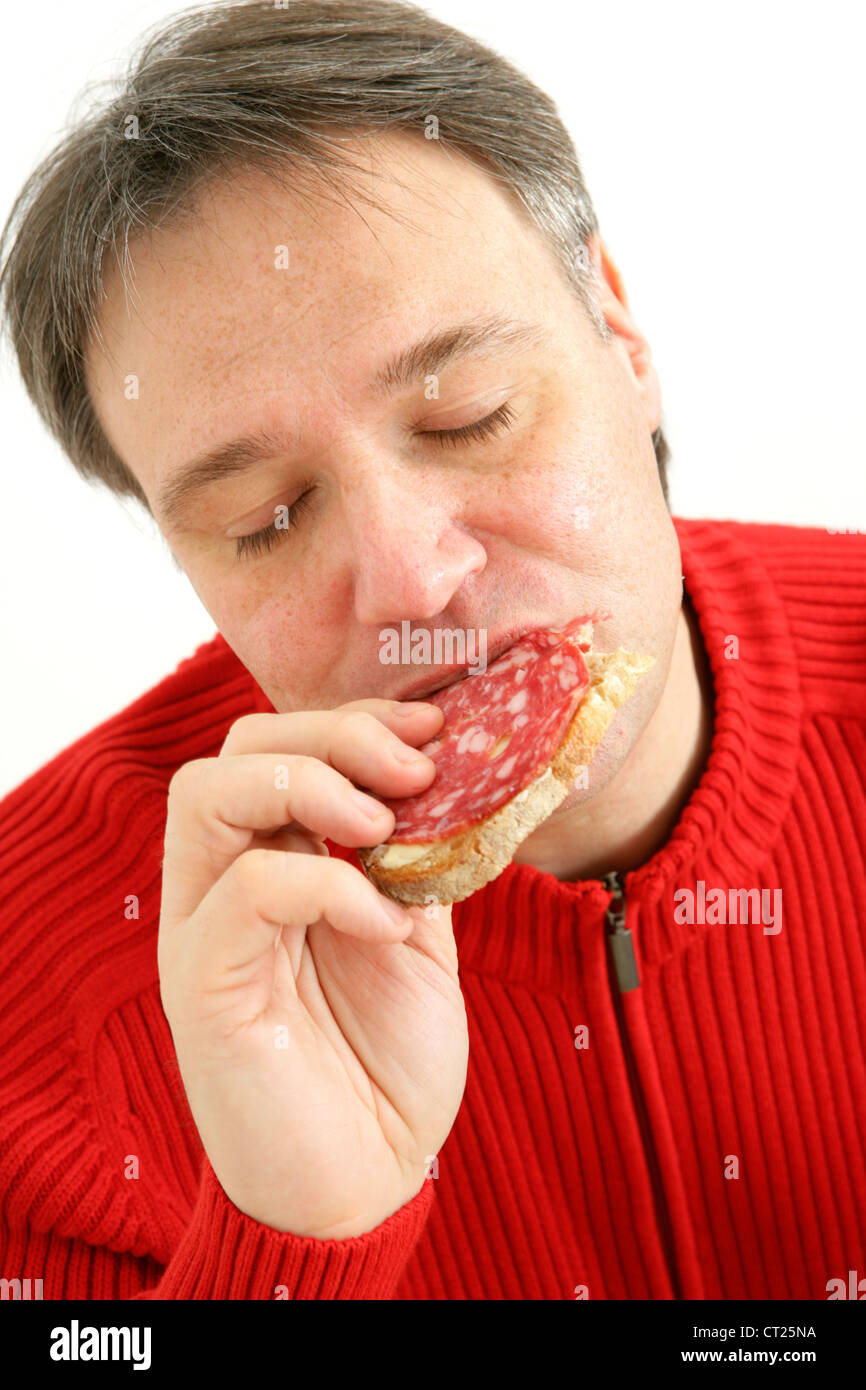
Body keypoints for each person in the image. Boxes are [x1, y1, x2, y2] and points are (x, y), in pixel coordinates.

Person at [1, 0, 864, 1302]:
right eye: (266, 520)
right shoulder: (23, 993)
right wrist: (296, 1238)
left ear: (619, 337)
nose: (412, 581)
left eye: (467, 416)